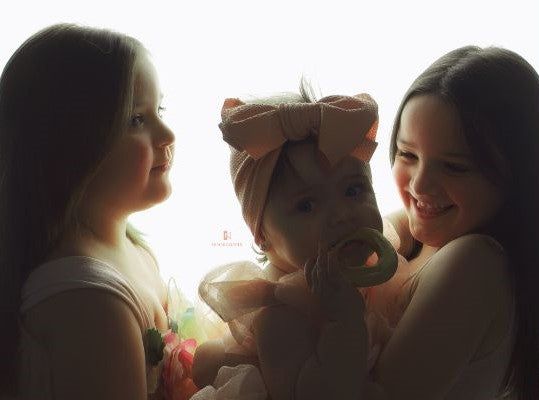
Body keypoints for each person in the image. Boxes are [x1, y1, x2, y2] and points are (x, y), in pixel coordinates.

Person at [0, 24, 182, 399]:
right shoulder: (88, 301)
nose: (168, 135)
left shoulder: (133, 249)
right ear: (67, 147)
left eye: (159, 110)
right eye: (136, 120)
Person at [192, 87, 399, 400]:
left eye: (354, 190)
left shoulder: (362, 268)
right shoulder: (281, 312)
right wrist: (344, 323)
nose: (342, 215)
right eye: (307, 206)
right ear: (262, 237)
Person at [380, 45, 539, 399]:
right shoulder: (414, 237)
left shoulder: (476, 262)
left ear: (516, 177)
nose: (419, 185)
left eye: (454, 167)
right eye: (407, 154)